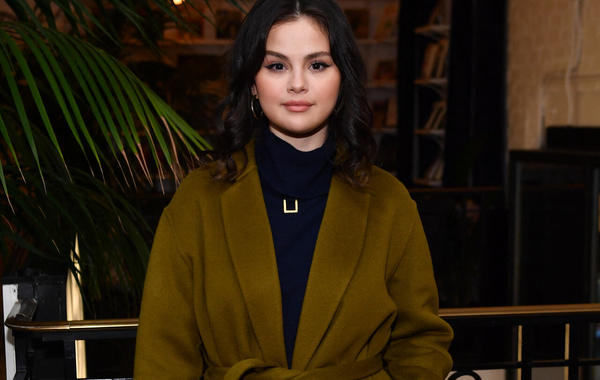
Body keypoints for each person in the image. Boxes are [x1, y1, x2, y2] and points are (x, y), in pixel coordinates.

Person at [133, 0, 453, 379]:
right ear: (253, 81)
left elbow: (420, 343)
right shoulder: (199, 201)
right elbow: (164, 353)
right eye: (276, 65)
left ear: (343, 77)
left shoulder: (389, 203)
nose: (297, 83)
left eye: (317, 64)